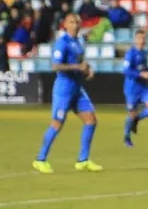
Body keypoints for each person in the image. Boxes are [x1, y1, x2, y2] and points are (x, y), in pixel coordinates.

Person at [32, 13, 102, 174]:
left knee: (91, 120)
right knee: (57, 123)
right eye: (72, 22)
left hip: (77, 88)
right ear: (65, 24)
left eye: (77, 21)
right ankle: (40, 159)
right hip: (64, 89)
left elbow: (79, 63)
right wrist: (78, 68)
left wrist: (87, 69)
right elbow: (55, 66)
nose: (75, 24)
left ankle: (83, 160)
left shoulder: (78, 42)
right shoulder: (62, 42)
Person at [122, 28, 148, 147]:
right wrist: (141, 74)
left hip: (143, 87)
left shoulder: (144, 52)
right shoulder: (130, 53)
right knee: (131, 114)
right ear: (135, 39)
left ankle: (137, 119)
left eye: (144, 38)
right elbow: (126, 70)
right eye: (140, 38)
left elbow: (144, 67)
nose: (142, 41)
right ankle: (126, 137)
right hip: (131, 89)